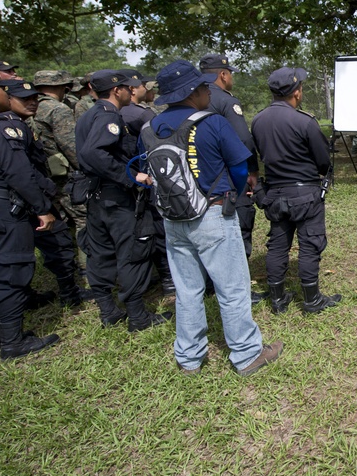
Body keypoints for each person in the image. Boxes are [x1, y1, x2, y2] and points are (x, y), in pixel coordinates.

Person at [145, 60, 282, 376]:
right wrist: (234, 194)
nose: (208, 91)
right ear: (194, 92)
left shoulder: (148, 127)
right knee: (232, 287)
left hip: (173, 217)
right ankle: (247, 354)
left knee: (187, 288)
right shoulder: (212, 123)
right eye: (203, 87)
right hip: (212, 213)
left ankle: (190, 357)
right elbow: (238, 168)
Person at [76, 69, 171, 331]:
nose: (132, 91)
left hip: (96, 196)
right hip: (117, 197)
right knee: (133, 252)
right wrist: (130, 177)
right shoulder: (109, 116)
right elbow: (94, 153)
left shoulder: (87, 115)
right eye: (128, 88)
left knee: (101, 252)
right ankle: (138, 317)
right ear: (116, 90)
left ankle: (108, 311)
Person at [0, 71, 60, 359]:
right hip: (3, 209)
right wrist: (42, 207)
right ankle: (13, 342)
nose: (8, 94)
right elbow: (18, 172)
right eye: (4, 89)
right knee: (10, 275)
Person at [251, 67, 340, 315]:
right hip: (305, 195)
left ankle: (278, 300)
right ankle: (311, 300)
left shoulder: (257, 121)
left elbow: (257, 156)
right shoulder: (305, 121)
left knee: (278, 245)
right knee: (310, 244)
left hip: (275, 194)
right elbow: (323, 162)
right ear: (297, 92)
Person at [4, 81, 88, 308]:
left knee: (55, 242)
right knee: (57, 239)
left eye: (33, 97)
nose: (32, 103)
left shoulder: (19, 122)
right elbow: (22, 169)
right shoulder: (8, 126)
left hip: (35, 194)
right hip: (30, 196)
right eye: (24, 99)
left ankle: (68, 291)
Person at [199, 53, 266, 303]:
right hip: (228, 178)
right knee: (239, 228)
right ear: (223, 75)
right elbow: (243, 139)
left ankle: (209, 285)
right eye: (230, 74)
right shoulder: (225, 100)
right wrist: (252, 171)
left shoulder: (190, 98)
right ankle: (238, 289)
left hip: (200, 179)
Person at [118, 68, 174, 295]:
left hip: (134, 177)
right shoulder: (139, 115)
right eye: (142, 84)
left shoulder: (122, 113)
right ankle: (168, 277)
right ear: (132, 89)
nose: (145, 88)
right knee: (157, 226)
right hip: (148, 176)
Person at [32, 70, 89, 283]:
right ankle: (86, 270)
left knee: (58, 225)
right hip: (66, 178)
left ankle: (65, 272)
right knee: (84, 220)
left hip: (44, 178)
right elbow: (71, 146)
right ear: (61, 86)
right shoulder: (57, 109)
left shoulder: (30, 107)